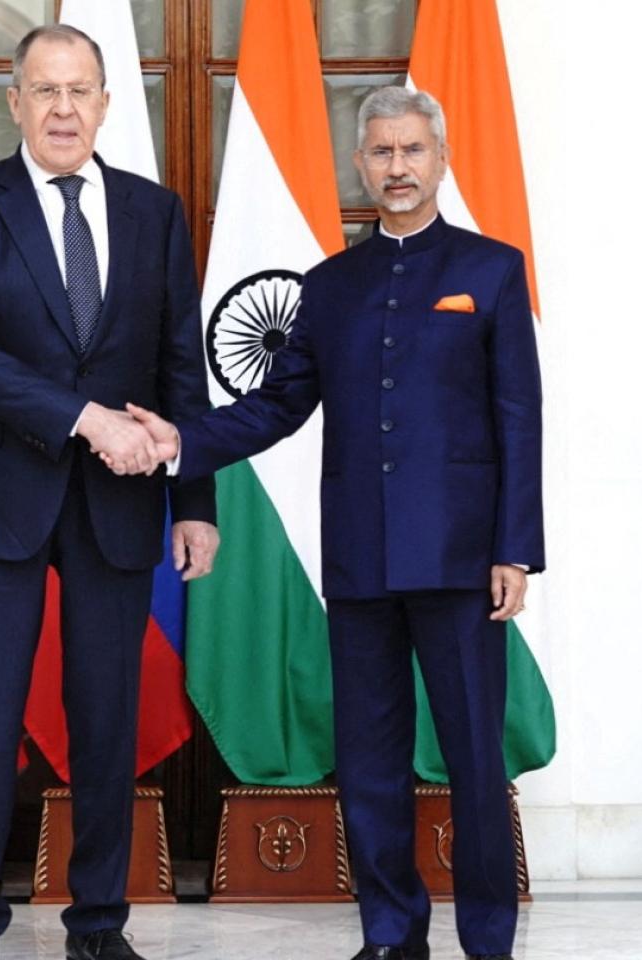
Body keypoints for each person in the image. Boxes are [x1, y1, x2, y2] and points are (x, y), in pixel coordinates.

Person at [115, 87, 543, 960]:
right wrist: (179, 441)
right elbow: (276, 406)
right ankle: (391, 934)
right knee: (372, 764)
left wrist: (517, 551)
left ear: (439, 158)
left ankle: (491, 941)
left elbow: (520, 418)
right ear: (360, 165)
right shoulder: (330, 286)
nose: (397, 168)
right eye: (381, 153)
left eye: (412, 152)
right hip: (358, 560)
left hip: (465, 562)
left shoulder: (490, 269)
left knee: (473, 763)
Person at [0, 24, 218, 960]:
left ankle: (99, 924)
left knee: (105, 722)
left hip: (119, 509)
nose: (62, 108)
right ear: (12, 103)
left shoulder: (154, 212)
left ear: (103, 102)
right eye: (43, 91)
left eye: (79, 90)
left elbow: (180, 365)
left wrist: (196, 500)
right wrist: (87, 419)